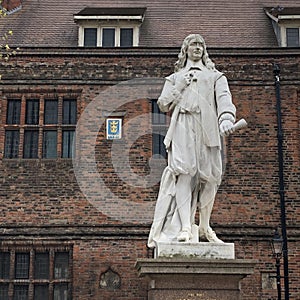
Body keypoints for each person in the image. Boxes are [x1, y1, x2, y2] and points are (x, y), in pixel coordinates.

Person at [148, 34, 236, 247]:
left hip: (208, 127)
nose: (197, 48)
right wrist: (180, 87)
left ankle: (204, 226)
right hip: (183, 125)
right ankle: (186, 226)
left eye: (201, 45)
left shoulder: (215, 76)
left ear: (204, 50)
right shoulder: (175, 77)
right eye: (193, 44)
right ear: (186, 49)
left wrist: (226, 118)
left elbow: (224, 99)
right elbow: (163, 104)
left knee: (212, 178)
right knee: (184, 174)